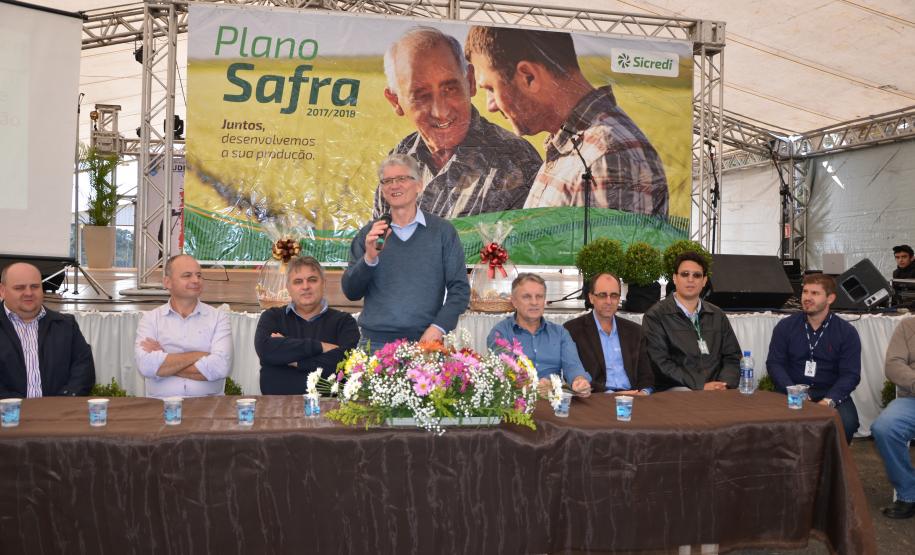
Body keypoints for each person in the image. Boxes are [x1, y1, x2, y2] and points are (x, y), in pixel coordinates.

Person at [464, 26, 669, 216]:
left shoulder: (607, 158)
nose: (490, 106)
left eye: (491, 88)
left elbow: (605, 255)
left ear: (528, 76)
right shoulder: (574, 146)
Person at [378, 26, 542, 219]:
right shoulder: (401, 156)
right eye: (421, 96)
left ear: (470, 82)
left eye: (450, 89)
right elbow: (379, 239)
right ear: (395, 101)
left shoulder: (518, 163)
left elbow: (529, 246)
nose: (440, 112)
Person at [342, 154, 470, 347]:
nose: (394, 186)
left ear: (419, 185)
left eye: (402, 179)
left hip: (425, 341)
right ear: (383, 190)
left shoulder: (442, 231)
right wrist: (369, 258)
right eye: (387, 181)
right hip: (375, 344)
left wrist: (438, 327)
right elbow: (351, 292)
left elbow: (459, 290)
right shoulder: (369, 234)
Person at [766, 274, 861, 444]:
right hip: (792, 388)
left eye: (815, 293)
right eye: (805, 292)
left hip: (829, 391)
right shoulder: (786, 326)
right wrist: (793, 390)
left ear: (830, 298)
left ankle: (833, 466)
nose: (807, 298)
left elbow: (850, 374)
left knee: (846, 423)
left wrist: (828, 401)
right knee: (775, 423)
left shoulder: (847, 332)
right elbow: (775, 363)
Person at [255, 256, 359, 394]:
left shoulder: (344, 322)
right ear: (288, 287)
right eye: (298, 281)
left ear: (324, 283)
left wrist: (294, 361)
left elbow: (346, 361)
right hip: (277, 407)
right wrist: (322, 347)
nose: (305, 286)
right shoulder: (272, 317)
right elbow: (266, 350)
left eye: (312, 280)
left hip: (330, 407)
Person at [134, 254, 233, 398]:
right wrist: (199, 355)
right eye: (187, 275)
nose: (196, 280)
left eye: (199, 275)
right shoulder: (150, 319)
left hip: (208, 407)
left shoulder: (219, 318)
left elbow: (220, 367)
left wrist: (165, 361)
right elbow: (146, 365)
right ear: (167, 282)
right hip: (160, 407)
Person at [642, 252, 741, 391]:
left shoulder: (717, 315)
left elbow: (732, 357)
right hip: (678, 389)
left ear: (704, 281)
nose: (691, 279)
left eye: (697, 275)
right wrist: (701, 385)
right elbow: (660, 364)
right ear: (675, 278)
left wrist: (724, 384)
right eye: (685, 274)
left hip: (718, 390)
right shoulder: (655, 316)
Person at [487, 273, 591, 396]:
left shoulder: (560, 333)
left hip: (553, 401)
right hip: (515, 403)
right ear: (514, 301)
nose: (534, 302)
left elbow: (573, 365)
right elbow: (506, 373)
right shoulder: (501, 333)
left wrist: (579, 381)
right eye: (527, 297)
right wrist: (536, 386)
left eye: (539, 296)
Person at [0, 262, 95, 398]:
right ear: (2, 291)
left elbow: (83, 370)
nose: (29, 293)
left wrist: (60, 405)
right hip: (7, 415)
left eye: (35, 286)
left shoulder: (66, 325)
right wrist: (14, 407)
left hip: (60, 413)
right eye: (19, 288)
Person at [563, 272, 653, 394]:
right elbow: (576, 375)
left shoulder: (635, 331)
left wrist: (643, 392)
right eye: (602, 295)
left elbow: (646, 375)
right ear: (591, 297)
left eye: (614, 295)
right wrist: (612, 395)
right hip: (597, 399)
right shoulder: (573, 330)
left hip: (635, 398)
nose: (609, 301)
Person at [872, 317, 915, 519]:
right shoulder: (908, 326)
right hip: (913, 398)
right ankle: (908, 494)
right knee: (885, 427)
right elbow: (893, 364)